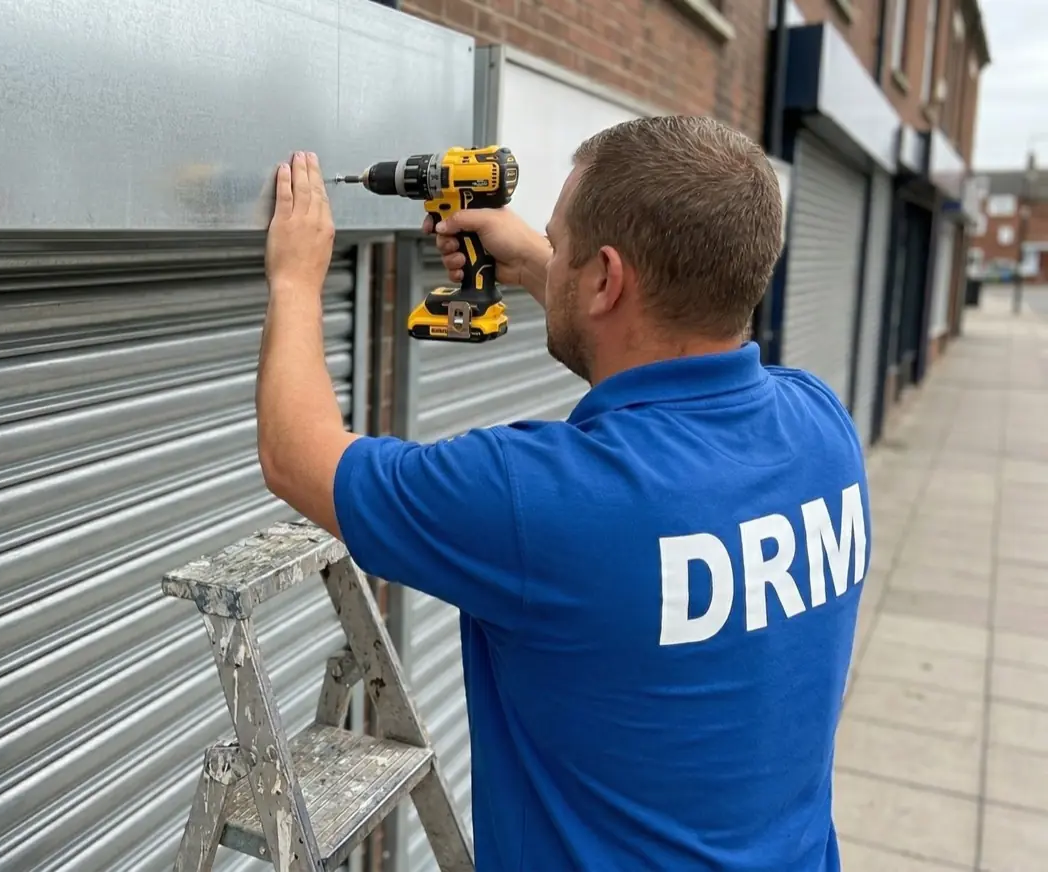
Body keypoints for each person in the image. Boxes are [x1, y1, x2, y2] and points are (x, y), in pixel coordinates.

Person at [255, 116, 869, 871]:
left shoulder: (537, 499)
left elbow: (296, 456)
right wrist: (552, 270)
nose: (548, 251)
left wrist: (295, 277)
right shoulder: (823, 427)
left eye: (560, 242)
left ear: (608, 280)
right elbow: (665, 358)